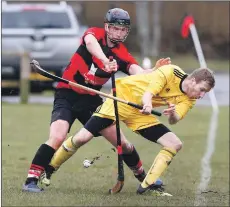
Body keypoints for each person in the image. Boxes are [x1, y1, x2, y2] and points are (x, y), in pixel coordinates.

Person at [22, 8, 170, 192]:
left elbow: (136, 71)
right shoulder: (94, 34)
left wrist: (153, 73)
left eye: (124, 30)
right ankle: (31, 180)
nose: (120, 32)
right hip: (66, 95)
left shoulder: (122, 53)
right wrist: (105, 60)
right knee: (57, 136)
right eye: (116, 28)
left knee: (123, 143)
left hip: (91, 102)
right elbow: (90, 43)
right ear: (107, 27)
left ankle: (144, 178)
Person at [50, 64, 215, 196]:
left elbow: (175, 119)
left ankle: (147, 185)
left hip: (139, 113)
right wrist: (148, 104)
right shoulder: (171, 72)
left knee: (174, 144)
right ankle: (49, 168)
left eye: (205, 93)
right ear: (193, 80)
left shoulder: (190, 99)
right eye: (202, 90)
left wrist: (172, 114)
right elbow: (149, 92)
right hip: (121, 100)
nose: (201, 96)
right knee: (82, 138)